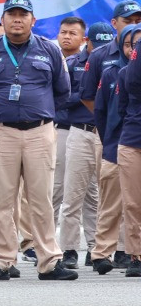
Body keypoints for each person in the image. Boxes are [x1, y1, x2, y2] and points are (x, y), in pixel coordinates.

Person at [0, 0, 77, 280]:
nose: (17, 19)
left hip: (39, 131)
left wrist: (38, 113)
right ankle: (1, 260)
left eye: (23, 14)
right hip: (0, 130)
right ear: (3, 18)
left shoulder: (50, 51)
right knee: (1, 199)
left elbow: (62, 91)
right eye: (11, 14)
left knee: (41, 198)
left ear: (33, 19)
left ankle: (49, 261)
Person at [91, 25, 138, 274]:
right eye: (131, 44)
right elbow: (100, 110)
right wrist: (109, 139)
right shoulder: (111, 73)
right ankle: (101, 253)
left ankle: (131, 253)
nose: (134, 49)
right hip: (115, 146)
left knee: (135, 204)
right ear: (122, 46)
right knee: (110, 204)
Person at [56, 15, 102, 268]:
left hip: (102, 132)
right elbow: (63, 96)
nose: (67, 36)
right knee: (69, 193)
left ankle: (96, 248)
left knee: (94, 196)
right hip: (75, 130)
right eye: (64, 32)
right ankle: (69, 249)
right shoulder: (73, 63)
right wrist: (86, 96)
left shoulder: (110, 63)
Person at [115, 25, 141, 276]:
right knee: (133, 202)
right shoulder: (126, 71)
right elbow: (120, 109)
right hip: (133, 140)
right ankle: (137, 256)